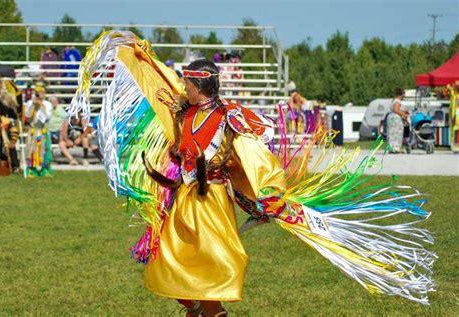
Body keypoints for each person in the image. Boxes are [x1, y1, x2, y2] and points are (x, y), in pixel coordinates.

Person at [69, 32, 436, 315]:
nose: (184, 87)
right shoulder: (183, 112)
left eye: (190, 84)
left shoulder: (231, 117)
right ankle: (194, 308)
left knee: (214, 263)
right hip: (182, 200)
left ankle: (213, 312)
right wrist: (141, 58)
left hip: (211, 200)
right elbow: (162, 89)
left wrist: (260, 188)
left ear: (203, 86)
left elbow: (256, 152)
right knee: (171, 261)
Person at [24, 84, 53, 177]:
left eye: (41, 92)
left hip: (43, 129)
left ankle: (45, 170)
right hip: (33, 130)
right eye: (38, 92)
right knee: (32, 150)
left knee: (45, 149)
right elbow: (27, 116)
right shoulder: (29, 103)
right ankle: (32, 170)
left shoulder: (47, 104)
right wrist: (33, 105)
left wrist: (41, 106)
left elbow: (48, 116)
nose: (40, 94)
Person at [386, 88, 409, 153]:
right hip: (395, 119)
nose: (403, 97)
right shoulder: (398, 101)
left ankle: (391, 148)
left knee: (391, 133)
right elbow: (396, 110)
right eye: (403, 96)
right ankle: (396, 148)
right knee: (397, 133)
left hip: (391, 118)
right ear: (400, 95)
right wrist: (404, 114)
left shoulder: (393, 100)